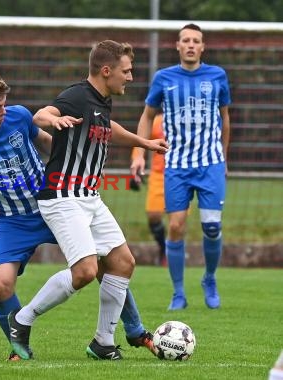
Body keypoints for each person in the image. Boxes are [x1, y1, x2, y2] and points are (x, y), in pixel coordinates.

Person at [0, 66, 161, 361]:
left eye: (4, 104)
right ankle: (18, 346)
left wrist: (71, 164)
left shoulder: (18, 116)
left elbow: (50, 144)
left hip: (52, 203)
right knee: (0, 284)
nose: (3, 112)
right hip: (11, 221)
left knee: (103, 260)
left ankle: (134, 328)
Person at [8, 41, 168, 360]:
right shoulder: (77, 96)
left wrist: (145, 143)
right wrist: (52, 120)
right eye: (126, 71)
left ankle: (103, 343)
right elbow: (43, 114)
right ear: (106, 71)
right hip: (62, 197)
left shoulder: (102, 101)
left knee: (123, 263)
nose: (131, 77)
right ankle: (21, 320)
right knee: (84, 271)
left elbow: (108, 129)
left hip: (89, 197)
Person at [130, 23, 231, 311]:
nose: (190, 45)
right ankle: (178, 293)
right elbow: (147, 117)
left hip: (210, 163)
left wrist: (224, 156)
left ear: (202, 47)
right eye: (185, 40)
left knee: (212, 226)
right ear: (177, 46)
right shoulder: (164, 78)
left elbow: (225, 119)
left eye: (195, 41)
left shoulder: (217, 76)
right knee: (175, 226)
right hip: (176, 165)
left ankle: (209, 279)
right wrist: (139, 153)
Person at [131, 113, 167, 267]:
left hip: (182, 173)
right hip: (158, 175)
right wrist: (137, 161)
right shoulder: (157, 121)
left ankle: (172, 255)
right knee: (153, 216)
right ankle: (163, 248)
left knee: (177, 222)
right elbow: (140, 141)